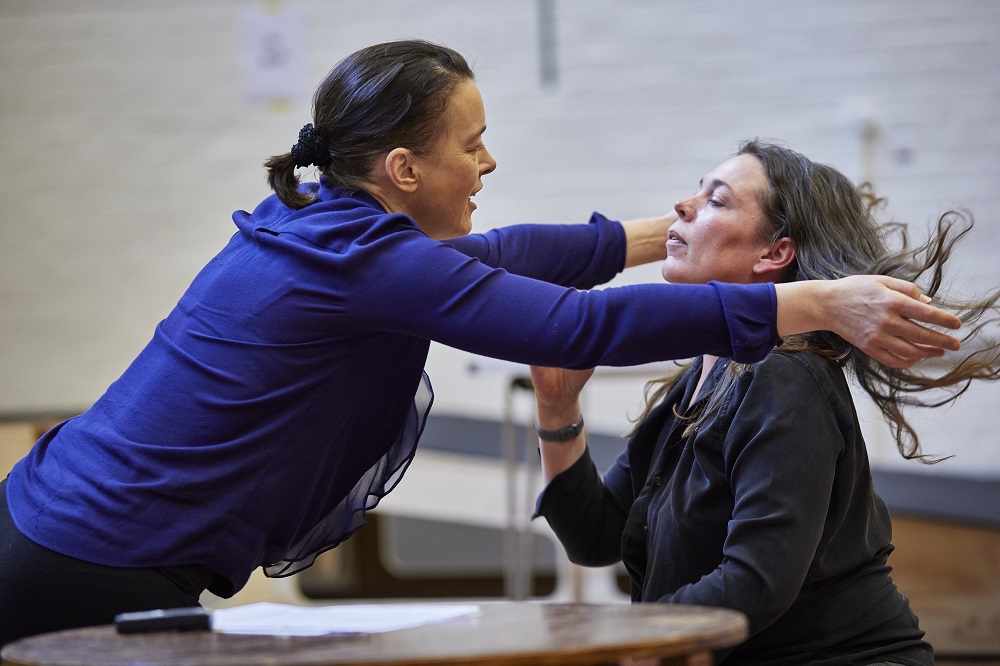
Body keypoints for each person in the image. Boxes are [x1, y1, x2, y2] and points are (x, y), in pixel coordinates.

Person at [0, 41, 961, 647]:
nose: (488, 163)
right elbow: (577, 328)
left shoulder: (324, 225)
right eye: (472, 145)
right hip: (87, 551)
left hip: (54, 521)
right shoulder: (364, 260)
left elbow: (510, 254)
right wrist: (815, 300)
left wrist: (653, 240)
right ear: (404, 168)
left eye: (713, 202)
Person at [532, 139, 1000, 665]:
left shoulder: (783, 375)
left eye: (716, 200)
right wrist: (557, 407)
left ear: (773, 254)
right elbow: (595, 537)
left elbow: (756, 582)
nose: (682, 206)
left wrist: (638, 639)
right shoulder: (699, 381)